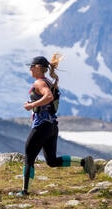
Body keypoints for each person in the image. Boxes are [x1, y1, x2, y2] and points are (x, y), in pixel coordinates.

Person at [17, 53, 96, 196]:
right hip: (52, 126)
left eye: (31, 67)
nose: (29, 70)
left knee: (29, 156)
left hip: (42, 126)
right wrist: (34, 105)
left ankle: (24, 192)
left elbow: (49, 97)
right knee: (52, 161)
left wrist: (32, 105)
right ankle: (85, 163)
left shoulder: (40, 83)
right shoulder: (48, 82)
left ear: (38, 68)